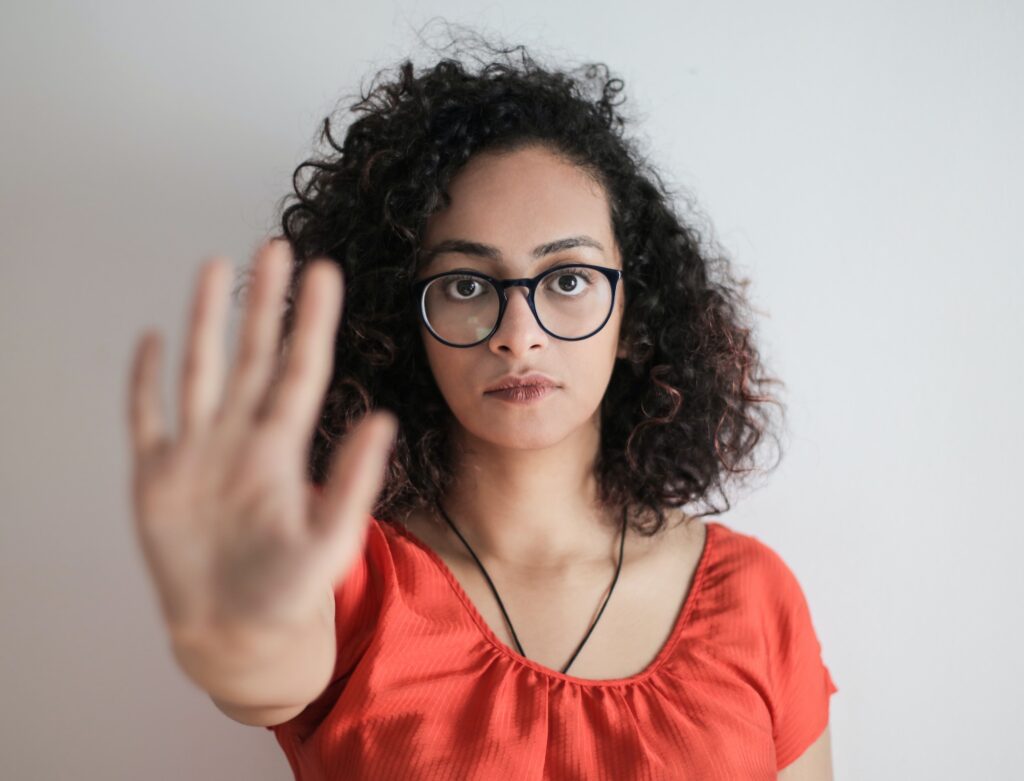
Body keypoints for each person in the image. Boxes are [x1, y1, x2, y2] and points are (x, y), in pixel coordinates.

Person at [127, 24, 837, 780]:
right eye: (466, 285)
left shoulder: (754, 599)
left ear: (636, 315)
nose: (518, 335)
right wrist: (234, 633)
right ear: (403, 324)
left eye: (568, 279)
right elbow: (264, 665)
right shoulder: (342, 575)